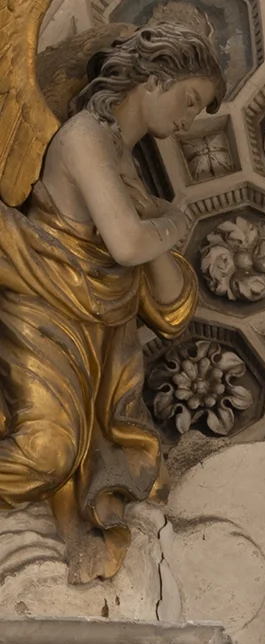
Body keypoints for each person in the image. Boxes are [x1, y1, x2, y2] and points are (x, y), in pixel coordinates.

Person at [0, 17, 222, 581]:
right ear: (151, 79)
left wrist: (159, 230)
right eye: (189, 99)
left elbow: (172, 307)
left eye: (199, 109)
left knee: (84, 458)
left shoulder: (125, 165)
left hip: (101, 334)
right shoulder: (84, 137)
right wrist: (172, 222)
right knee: (47, 453)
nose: (190, 117)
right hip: (44, 311)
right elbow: (125, 245)